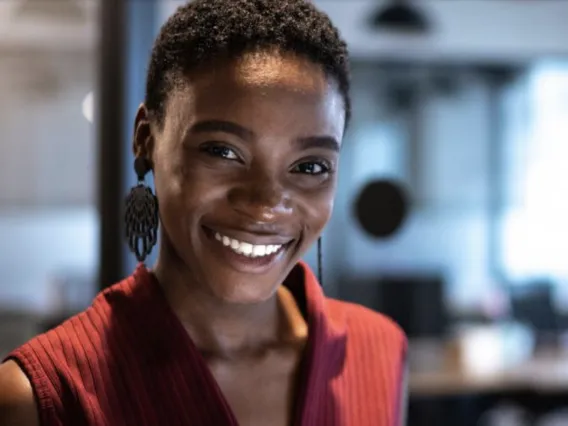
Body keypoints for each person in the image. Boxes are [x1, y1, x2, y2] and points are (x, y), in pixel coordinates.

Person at [0, 0, 407, 425]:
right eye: (223, 151)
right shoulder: (40, 397)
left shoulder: (379, 352)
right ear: (146, 140)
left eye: (310, 166)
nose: (267, 201)